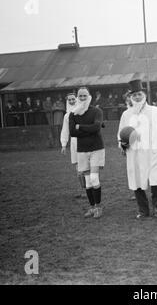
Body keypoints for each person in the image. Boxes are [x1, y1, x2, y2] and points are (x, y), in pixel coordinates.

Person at [118, 79, 157, 219]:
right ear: (130, 97)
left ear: (144, 94)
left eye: (139, 94)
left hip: (153, 151)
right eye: (134, 95)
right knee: (136, 180)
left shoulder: (156, 111)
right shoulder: (126, 114)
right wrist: (122, 144)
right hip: (134, 153)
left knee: (155, 179)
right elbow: (121, 133)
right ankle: (143, 210)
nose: (137, 97)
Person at [69, 87, 105, 219]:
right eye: (80, 96)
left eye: (85, 95)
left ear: (89, 96)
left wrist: (80, 127)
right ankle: (92, 207)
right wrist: (86, 129)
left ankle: (98, 207)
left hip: (96, 148)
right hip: (82, 150)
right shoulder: (73, 114)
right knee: (88, 181)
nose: (82, 98)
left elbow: (96, 128)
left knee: (94, 178)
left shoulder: (97, 111)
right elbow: (72, 132)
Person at [60, 92, 86, 199]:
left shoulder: (83, 111)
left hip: (84, 141)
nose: (71, 101)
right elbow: (65, 130)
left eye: (73, 99)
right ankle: (83, 190)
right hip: (74, 143)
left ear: (77, 99)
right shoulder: (67, 116)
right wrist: (63, 144)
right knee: (78, 169)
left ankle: (89, 188)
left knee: (86, 167)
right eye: (69, 100)